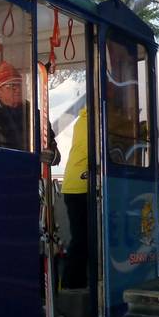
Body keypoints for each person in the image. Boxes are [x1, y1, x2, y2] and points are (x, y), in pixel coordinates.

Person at [0, 60, 59, 161]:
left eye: (19, 85)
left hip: (30, 170)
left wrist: (52, 155)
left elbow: (53, 149)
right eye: (11, 86)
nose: (17, 89)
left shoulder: (35, 115)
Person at [61, 106, 89, 289]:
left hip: (79, 185)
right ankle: (71, 285)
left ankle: (77, 283)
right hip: (78, 187)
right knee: (81, 239)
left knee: (83, 238)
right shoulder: (89, 122)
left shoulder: (85, 119)